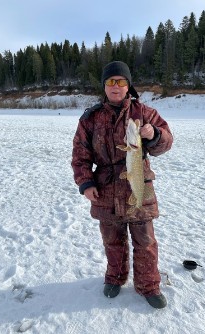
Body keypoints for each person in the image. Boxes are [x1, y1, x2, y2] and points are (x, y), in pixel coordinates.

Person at [71, 61, 173, 309]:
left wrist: (154, 134)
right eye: (110, 82)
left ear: (128, 86)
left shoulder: (144, 113)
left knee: (145, 240)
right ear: (104, 86)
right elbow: (80, 155)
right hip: (105, 189)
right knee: (112, 240)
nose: (115, 86)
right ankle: (115, 278)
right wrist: (85, 183)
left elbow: (167, 142)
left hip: (139, 184)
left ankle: (148, 285)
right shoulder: (90, 119)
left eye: (121, 81)